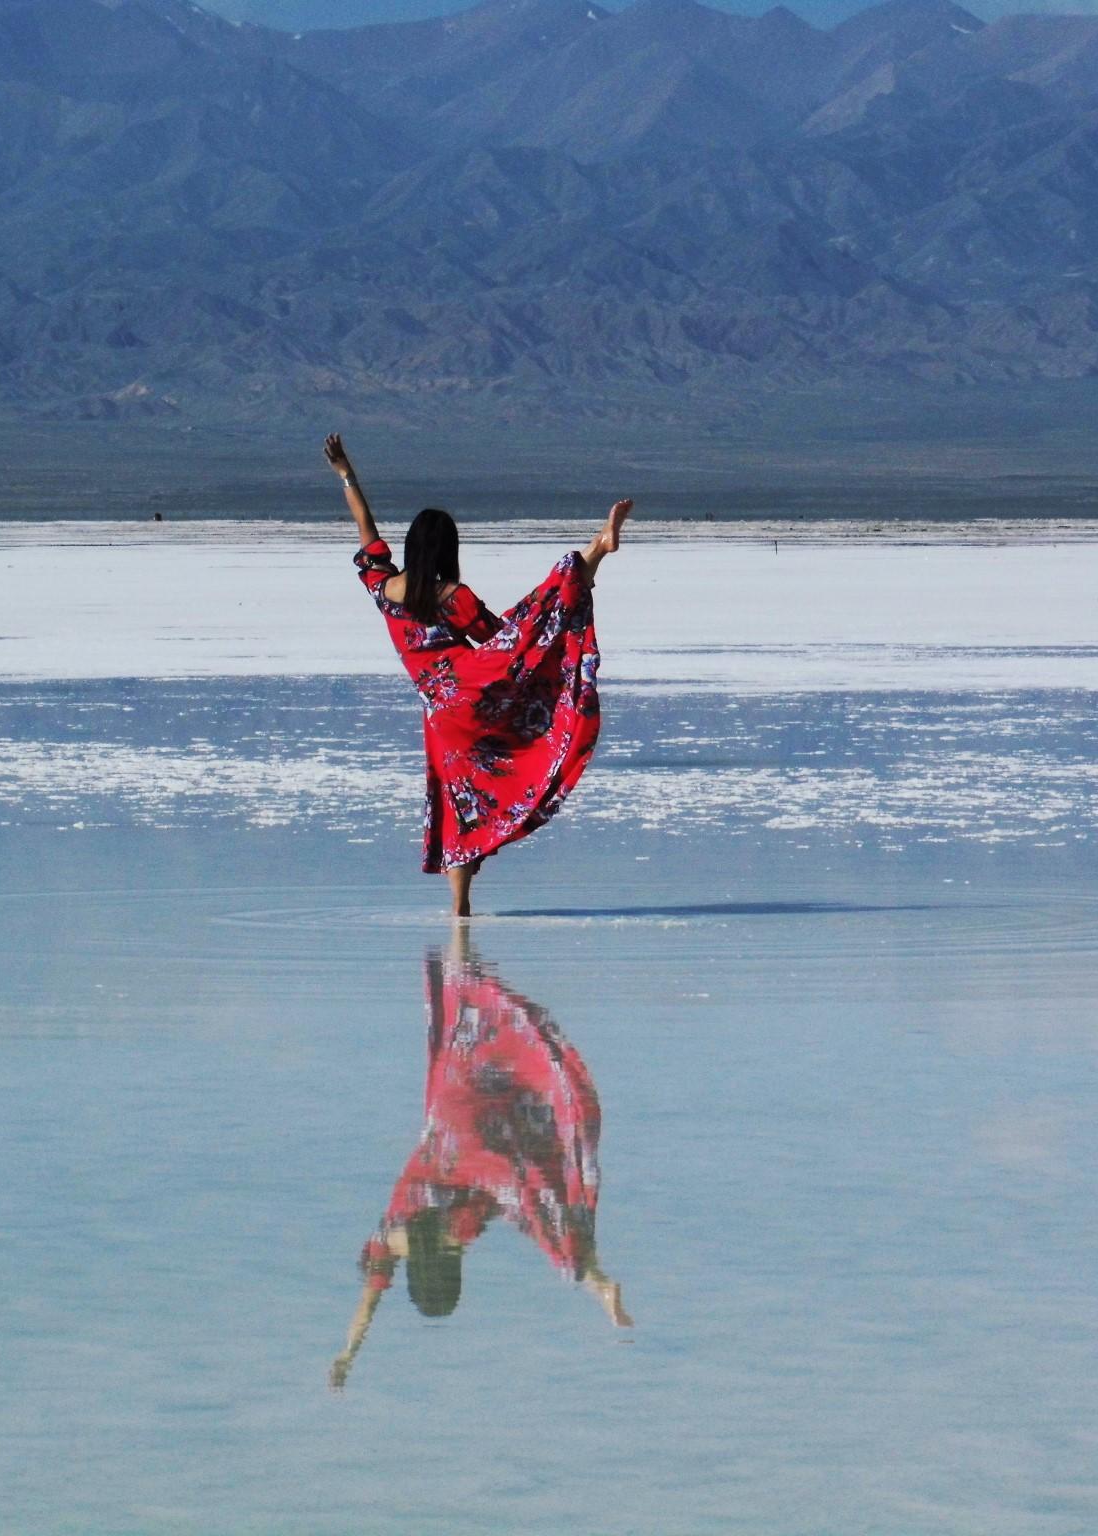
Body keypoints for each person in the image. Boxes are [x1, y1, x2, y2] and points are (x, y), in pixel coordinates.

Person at [325, 434, 631, 915]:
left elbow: (365, 529)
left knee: (455, 799)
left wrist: (347, 473)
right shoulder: (453, 595)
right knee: (537, 622)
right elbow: (504, 636)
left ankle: (460, 906)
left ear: (410, 545)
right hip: (472, 687)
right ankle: (591, 555)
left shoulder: (384, 589)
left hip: (441, 711)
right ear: (449, 549)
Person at [329, 931, 631, 1391]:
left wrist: (521, 1187)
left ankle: (590, 1276)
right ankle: (461, 964)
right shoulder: (391, 1242)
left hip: (482, 1149)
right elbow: (367, 1304)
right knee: (465, 1038)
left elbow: (516, 1207)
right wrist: (346, 1354)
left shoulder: (458, 1234)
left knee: (538, 1209)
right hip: (451, 1109)